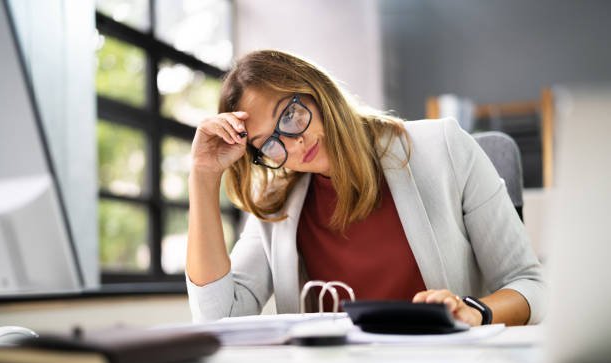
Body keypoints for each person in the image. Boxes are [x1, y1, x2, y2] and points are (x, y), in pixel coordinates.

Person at [185, 49, 545, 327]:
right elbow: (220, 318)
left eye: (290, 115)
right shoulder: (275, 205)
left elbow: (528, 285)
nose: (292, 145)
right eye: (269, 143)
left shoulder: (443, 148)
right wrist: (203, 176)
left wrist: (474, 312)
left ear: (317, 90)